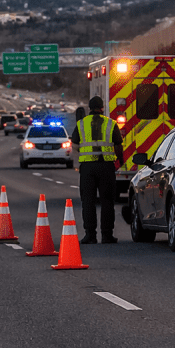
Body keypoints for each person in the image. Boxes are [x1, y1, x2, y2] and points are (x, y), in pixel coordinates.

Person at [71, 96, 124, 244]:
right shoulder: (110, 123)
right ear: (102, 108)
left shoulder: (81, 124)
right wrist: (120, 161)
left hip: (87, 168)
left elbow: (74, 144)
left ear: (89, 108)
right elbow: (118, 145)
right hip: (106, 166)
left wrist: (78, 162)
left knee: (88, 202)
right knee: (107, 202)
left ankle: (90, 235)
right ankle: (107, 235)